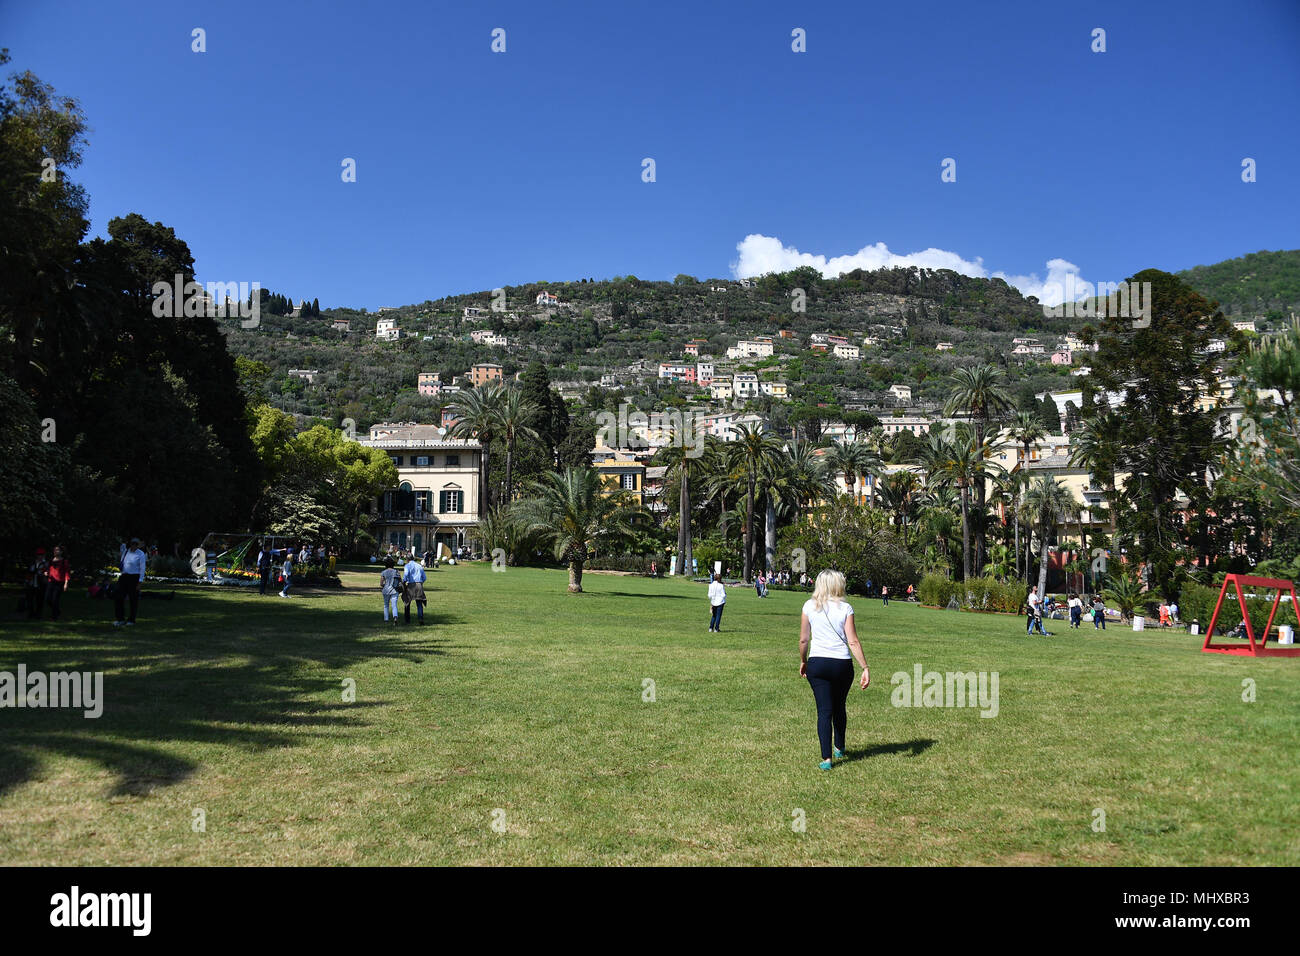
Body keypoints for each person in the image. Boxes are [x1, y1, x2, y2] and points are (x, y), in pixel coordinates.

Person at [799, 570, 870, 771]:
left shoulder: (809, 606)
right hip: (842, 664)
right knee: (839, 706)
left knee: (824, 711)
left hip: (818, 663)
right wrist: (865, 667)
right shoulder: (846, 608)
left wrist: (803, 660)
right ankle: (839, 746)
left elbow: (804, 639)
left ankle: (826, 759)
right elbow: (853, 641)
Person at [115, 538, 146, 626]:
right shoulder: (126, 552)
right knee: (119, 597)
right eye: (132, 543)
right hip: (124, 576)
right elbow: (122, 563)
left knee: (133, 599)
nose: (134, 546)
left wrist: (140, 582)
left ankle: (131, 620)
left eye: (136, 544)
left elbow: (142, 568)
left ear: (138, 545)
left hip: (134, 577)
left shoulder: (141, 554)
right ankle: (120, 619)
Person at [45, 546, 71, 620]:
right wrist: (46, 573)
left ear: (61, 552)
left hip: (59, 583)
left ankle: (54, 617)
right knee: (47, 599)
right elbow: (48, 570)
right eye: (54, 550)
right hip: (51, 582)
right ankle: (57, 611)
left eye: (57, 550)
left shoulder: (64, 561)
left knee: (55, 599)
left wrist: (66, 583)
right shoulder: (50, 561)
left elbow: (67, 573)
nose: (55, 551)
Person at [402, 553, 427, 625]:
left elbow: (406, 574)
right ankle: (421, 618)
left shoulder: (407, 565)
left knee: (407, 602)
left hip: (411, 585)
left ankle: (407, 620)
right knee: (419, 603)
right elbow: (424, 578)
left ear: (407, 559)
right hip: (419, 584)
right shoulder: (419, 566)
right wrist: (420, 583)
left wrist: (404, 582)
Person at [25, 547, 49, 619]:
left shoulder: (46, 563)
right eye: (38, 554)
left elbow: (47, 572)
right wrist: (27, 581)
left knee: (40, 600)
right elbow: (28, 572)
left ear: (44, 555)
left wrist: (45, 574)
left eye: (41, 554)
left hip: (41, 584)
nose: (40, 556)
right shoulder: (32, 562)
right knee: (30, 600)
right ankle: (31, 614)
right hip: (31, 583)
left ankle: (38, 614)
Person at [380, 557, 401, 624]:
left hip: (386, 590)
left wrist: (384, 586)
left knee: (386, 605)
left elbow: (381, 583)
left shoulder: (383, 572)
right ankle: (395, 617)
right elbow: (400, 581)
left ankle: (386, 620)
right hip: (394, 590)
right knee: (394, 605)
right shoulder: (396, 572)